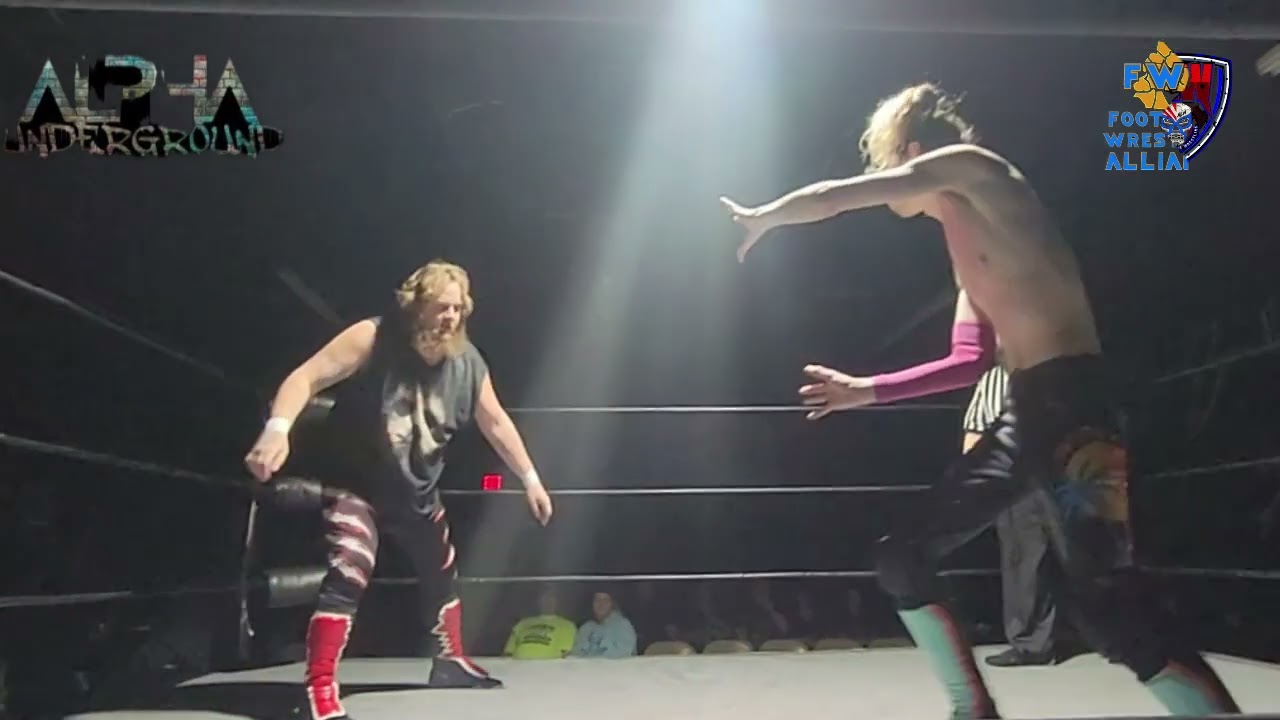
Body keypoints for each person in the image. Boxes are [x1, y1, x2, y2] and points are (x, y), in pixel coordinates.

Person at [720, 83, 1238, 718]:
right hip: (1023, 418)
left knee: (1109, 609)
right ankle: (972, 709)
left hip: (1075, 408)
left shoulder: (974, 167)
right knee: (901, 557)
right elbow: (968, 361)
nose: (885, 178)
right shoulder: (968, 258)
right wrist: (866, 391)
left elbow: (835, 198)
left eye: (887, 161)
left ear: (913, 152)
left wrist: (766, 216)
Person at [244, 260, 554, 720]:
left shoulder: (468, 362)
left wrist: (530, 478)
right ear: (415, 305)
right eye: (441, 307)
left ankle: (449, 662)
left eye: (458, 309)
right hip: (357, 484)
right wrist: (277, 429)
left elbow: (495, 421)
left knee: (441, 567)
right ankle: (319, 685)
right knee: (351, 566)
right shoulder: (373, 337)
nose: (450, 317)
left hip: (417, 492)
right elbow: (306, 376)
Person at [965, 364, 1061, 667]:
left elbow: (975, 433)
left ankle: (1035, 642)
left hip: (1044, 472)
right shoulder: (998, 377)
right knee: (1027, 556)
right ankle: (1033, 642)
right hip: (1028, 475)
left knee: (1031, 556)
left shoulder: (1008, 376)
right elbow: (976, 431)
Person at [503, 587, 577, 660]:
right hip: (517, 665)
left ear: (558, 602)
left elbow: (565, 655)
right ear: (538, 601)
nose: (548, 601)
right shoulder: (523, 623)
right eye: (544, 598)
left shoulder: (567, 625)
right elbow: (508, 653)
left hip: (546, 666)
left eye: (552, 598)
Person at [570, 591, 637, 658]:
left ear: (613, 604)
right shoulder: (585, 628)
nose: (601, 604)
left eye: (605, 600)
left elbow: (624, 655)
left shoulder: (623, 625)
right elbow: (576, 654)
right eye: (597, 600)